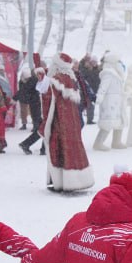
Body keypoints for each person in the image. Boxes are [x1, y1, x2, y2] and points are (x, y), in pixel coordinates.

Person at [40, 53, 94, 192]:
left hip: (59, 118)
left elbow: (49, 96)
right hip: (72, 119)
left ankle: (61, 181)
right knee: (71, 147)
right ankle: (74, 179)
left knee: (57, 147)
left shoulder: (56, 79)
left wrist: (42, 82)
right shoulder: (71, 78)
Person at [92, 52, 127, 151]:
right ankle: (98, 143)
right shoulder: (108, 73)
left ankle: (116, 142)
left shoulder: (117, 73)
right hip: (109, 102)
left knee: (120, 122)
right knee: (107, 123)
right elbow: (103, 87)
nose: (120, 63)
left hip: (117, 101)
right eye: (118, 61)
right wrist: (99, 96)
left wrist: (125, 94)